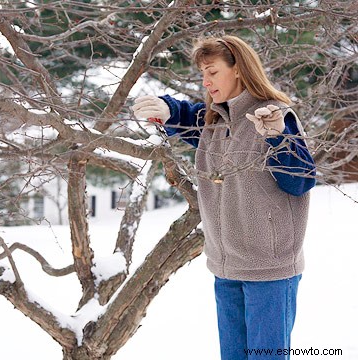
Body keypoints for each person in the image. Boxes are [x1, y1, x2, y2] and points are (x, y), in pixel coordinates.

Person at [132, 35, 316, 360]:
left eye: (212, 72)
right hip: (226, 268)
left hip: (268, 273)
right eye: (203, 73)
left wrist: (278, 139)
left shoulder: (272, 116)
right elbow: (189, 116)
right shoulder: (215, 120)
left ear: (239, 71)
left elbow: (300, 181)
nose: (205, 81)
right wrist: (167, 110)